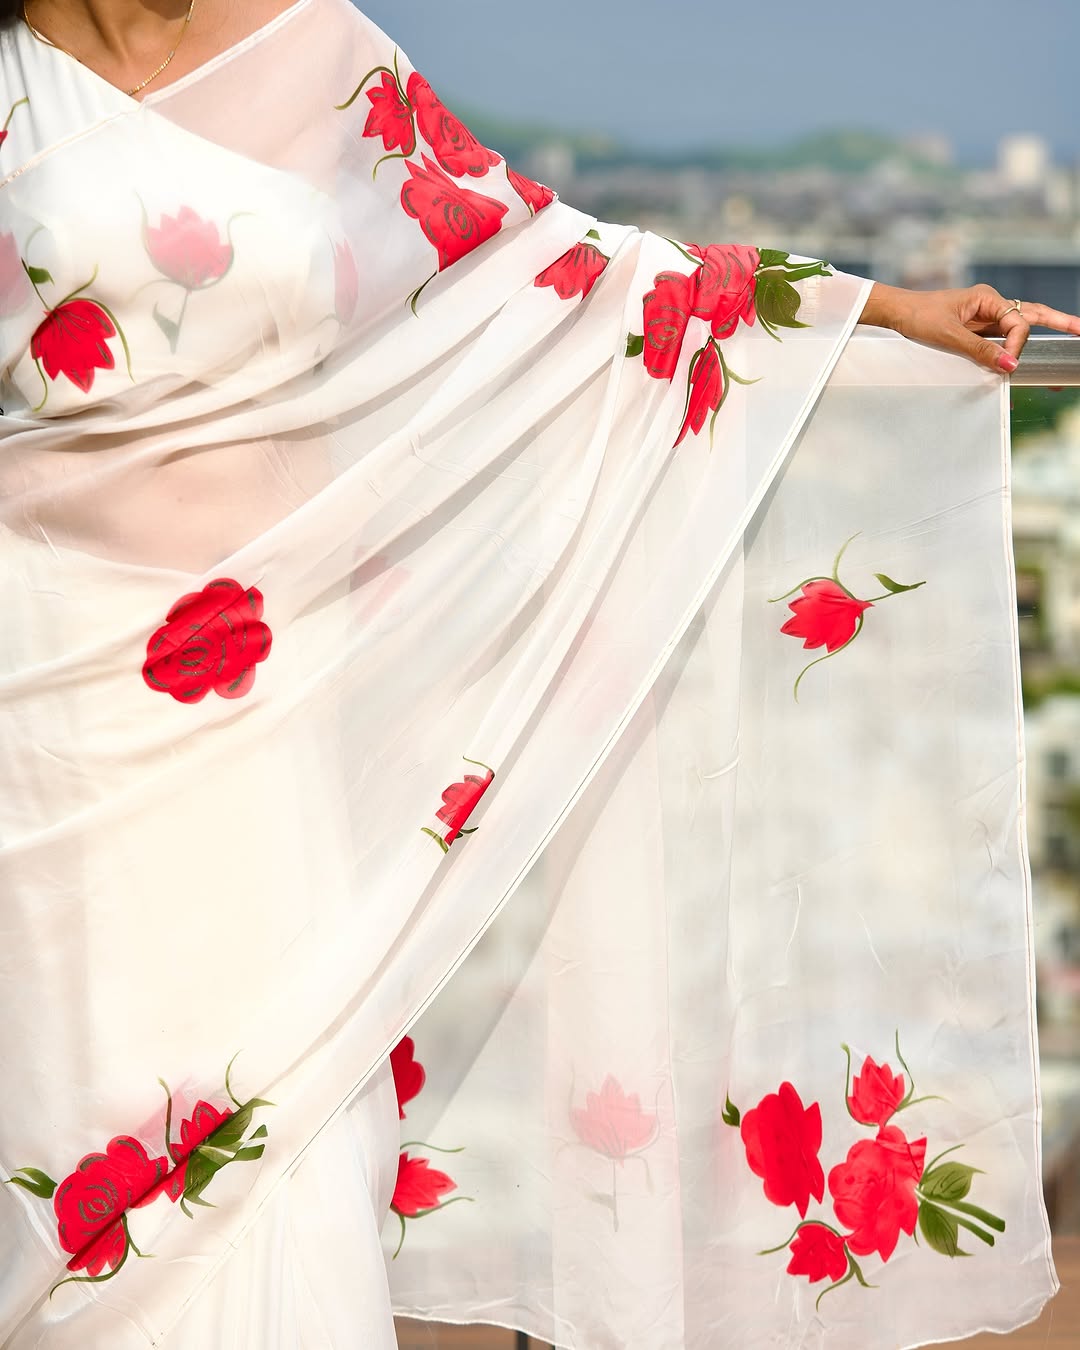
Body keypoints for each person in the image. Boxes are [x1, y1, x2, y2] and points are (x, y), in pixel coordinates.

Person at [0, 2, 1072, 1347]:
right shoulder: (13, 82)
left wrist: (888, 308)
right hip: (50, 683)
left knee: (273, 1095)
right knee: (73, 1083)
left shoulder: (314, 44)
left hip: (268, 708)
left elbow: (560, 270)